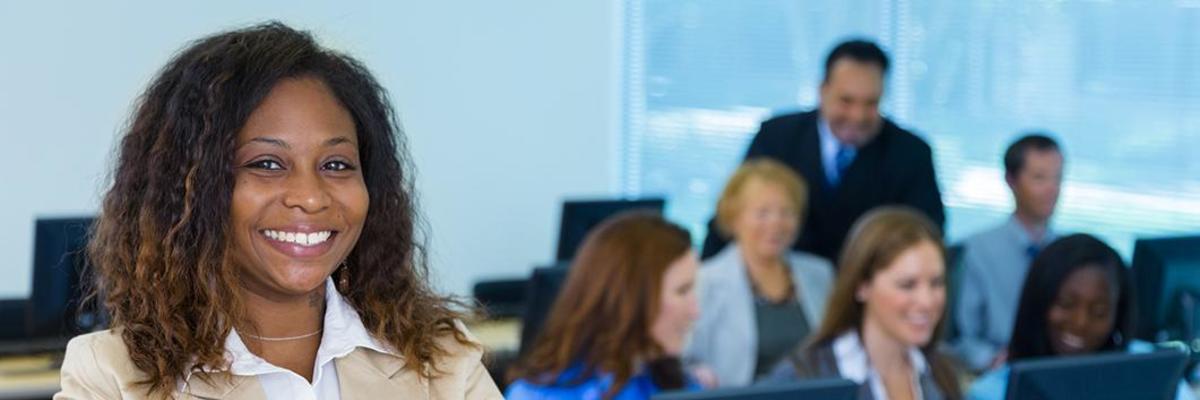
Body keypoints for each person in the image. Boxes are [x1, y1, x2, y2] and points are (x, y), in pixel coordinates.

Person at [55, 23, 501, 399]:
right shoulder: (112, 376)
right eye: (266, 164)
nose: (310, 197)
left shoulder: (441, 364)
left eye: (336, 164)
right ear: (191, 187)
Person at [701, 39, 945, 264]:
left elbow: (925, 237)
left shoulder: (910, 154)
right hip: (780, 290)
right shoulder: (777, 137)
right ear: (822, 91)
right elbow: (731, 217)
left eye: (871, 103)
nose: (857, 116)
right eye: (846, 101)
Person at [966, 234, 1194, 400]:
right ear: (1039, 302)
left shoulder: (1152, 369)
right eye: (1066, 304)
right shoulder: (991, 392)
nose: (1080, 323)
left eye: (1099, 312)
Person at [768, 207, 961, 400]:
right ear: (862, 286)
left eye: (936, 283)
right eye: (907, 285)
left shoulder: (943, 373)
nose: (926, 301)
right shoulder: (802, 378)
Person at [506, 212, 702, 399]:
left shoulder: (676, 383)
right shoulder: (537, 395)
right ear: (629, 298)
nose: (695, 312)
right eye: (682, 291)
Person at [684, 159, 834, 387]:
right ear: (735, 219)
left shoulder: (820, 274)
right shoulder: (705, 281)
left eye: (786, 212)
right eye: (762, 213)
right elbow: (683, 360)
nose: (776, 223)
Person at [954, 134, 1063, 372]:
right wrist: (992, 360)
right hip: (1000, 372)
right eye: (1039, 178)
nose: (1052, 189)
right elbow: (959, 340)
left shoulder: (1069, 252)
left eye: (1058, 178)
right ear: (1011, 180)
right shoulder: (976, 250)